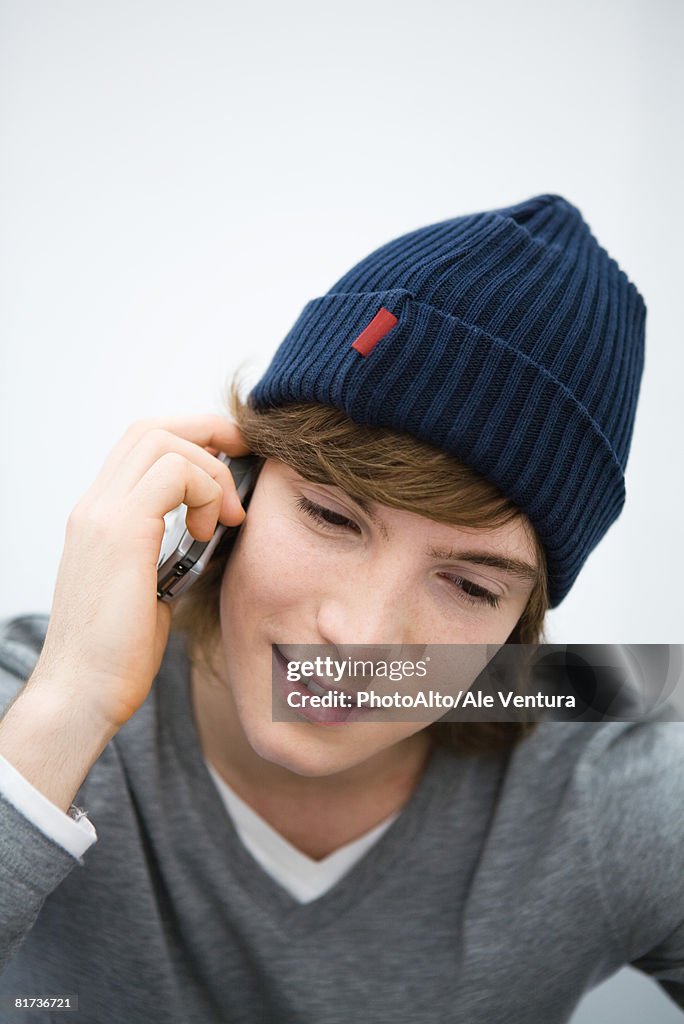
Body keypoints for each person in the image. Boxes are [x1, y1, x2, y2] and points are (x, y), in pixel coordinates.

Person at [0, 194, 682, 1023]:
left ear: (522, 624)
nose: (358, 638)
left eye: (470, 586)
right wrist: (67, 706)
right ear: (235, 481)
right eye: (331, 518)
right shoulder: (28, 704)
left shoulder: (612, 775)